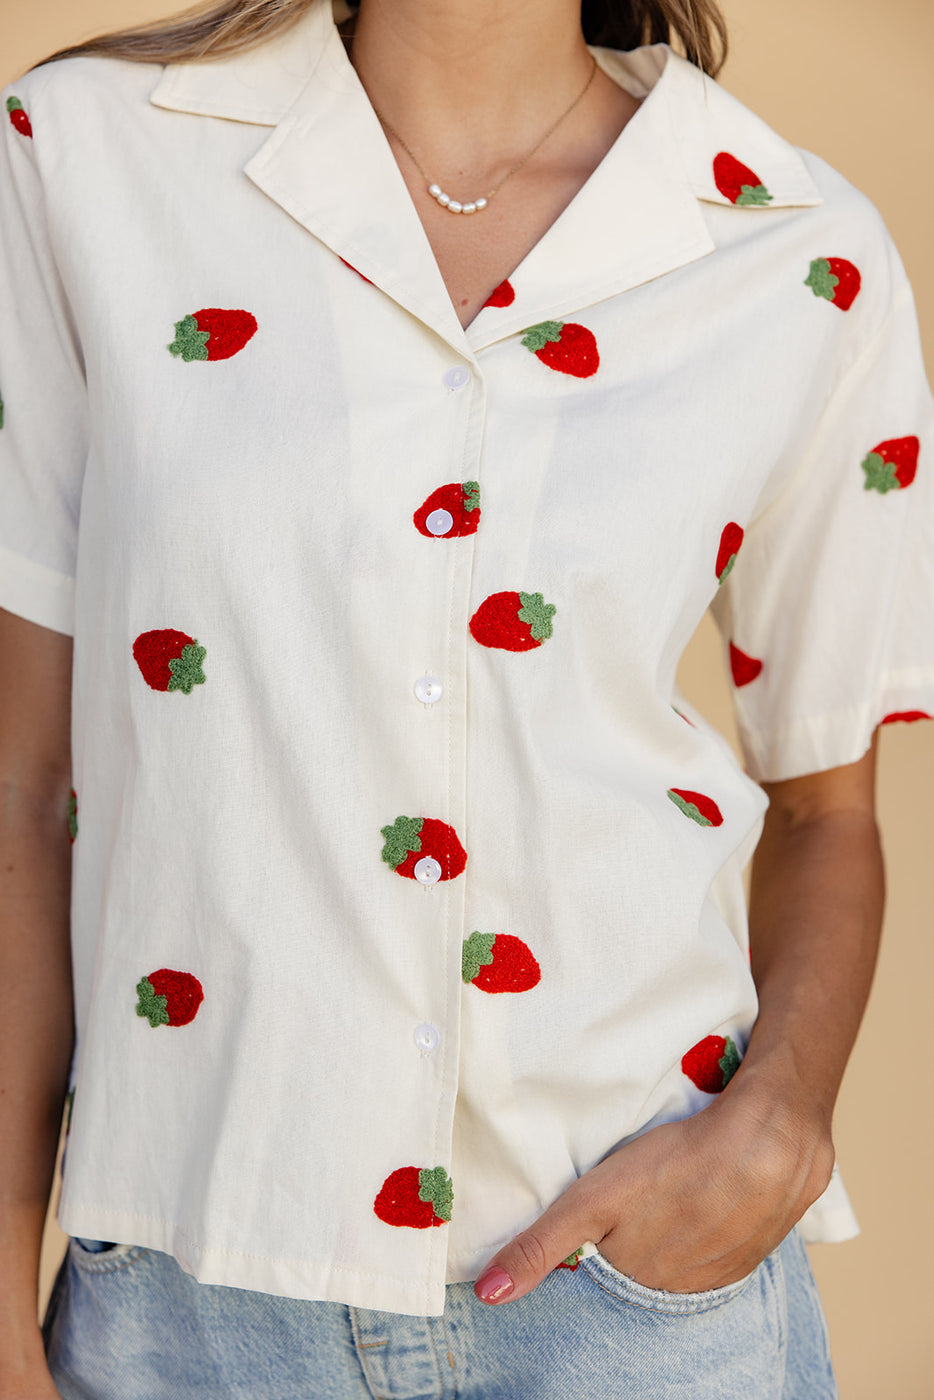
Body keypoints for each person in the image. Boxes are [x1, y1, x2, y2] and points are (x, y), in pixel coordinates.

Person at [1, 0, 932, 1394]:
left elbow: (822, 812)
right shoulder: (83, 158)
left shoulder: (797, 247)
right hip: (190, 1310)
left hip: (635, 1306)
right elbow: (26, 784)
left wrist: (781, 1121)